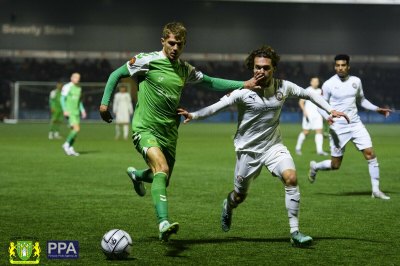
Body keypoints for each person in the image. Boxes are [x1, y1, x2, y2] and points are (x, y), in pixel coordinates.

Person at [98, 22, 262, 242]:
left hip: (170, 132)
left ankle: (137, 175)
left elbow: (211, 83)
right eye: (172, 43)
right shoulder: (147, 60)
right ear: (163, 41)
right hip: (145, 128)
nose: (176, 48)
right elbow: (115, 74)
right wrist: (104, 104)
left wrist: (244, 84)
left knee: (161, 177)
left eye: (180, 44)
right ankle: (163, 222)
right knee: (162, 168)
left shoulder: (185, 69)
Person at [178, 45, 349, 247]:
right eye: (258, 67)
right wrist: (194, 115)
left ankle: (295, 232)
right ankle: (229, 204)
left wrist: (331, 110)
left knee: (291, 178)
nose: (261, 71)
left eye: (266, 68)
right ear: (252, 68)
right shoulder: (243, 92)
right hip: (247, 152)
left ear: (273, 68)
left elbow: (309, 94)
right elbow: (217, 106)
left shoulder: (283, 86)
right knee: (239, 196)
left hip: (273, 147)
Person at [308, 54, 392, 200]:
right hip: (338, 128)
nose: (340, 68)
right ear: (335, 67)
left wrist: (376, 108)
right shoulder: (328, 84)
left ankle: (376, 190)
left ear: (348, 66)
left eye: (343, 65)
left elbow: (362, 100)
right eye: (337, 65)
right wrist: (327, 117)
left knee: (370, 154)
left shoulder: (356, 81)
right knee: (335, 165)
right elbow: (320, 105)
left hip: (355, 124)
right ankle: (315, 166)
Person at [295, 77, 328, 156]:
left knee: (319, 131)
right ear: (311, 82)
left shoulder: (320, 91)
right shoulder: (307, 90)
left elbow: (322, 103)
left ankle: (319, 151)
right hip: (308, 115)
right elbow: (301, 102)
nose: (315, 83)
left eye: (317, 81)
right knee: (306, 132)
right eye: (314, 81)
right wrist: (304, 111)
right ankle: (298, 148)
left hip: (318, 115)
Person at [61, 72, 86, 156]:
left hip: (76, 112)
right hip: (70, 112)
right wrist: (65, 110)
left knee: (74, 131)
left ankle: (70, 148)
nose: (77, 78)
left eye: (78, 77)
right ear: (71, 78)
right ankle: (66, 144)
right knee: (76, 129)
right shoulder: (67, 86)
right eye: (75, 77)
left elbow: (79, 101)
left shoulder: (79, 88)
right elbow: (62, 99)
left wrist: (82, 110)